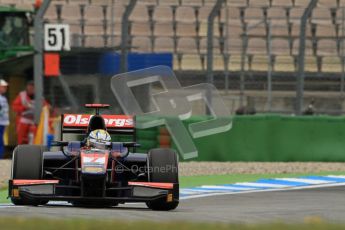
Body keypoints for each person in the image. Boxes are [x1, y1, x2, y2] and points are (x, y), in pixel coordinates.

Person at [0, 79, 9, 158]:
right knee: (0, 141)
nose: (5, 88)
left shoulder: (3, 98)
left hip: (2, 123)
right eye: (3, 87)